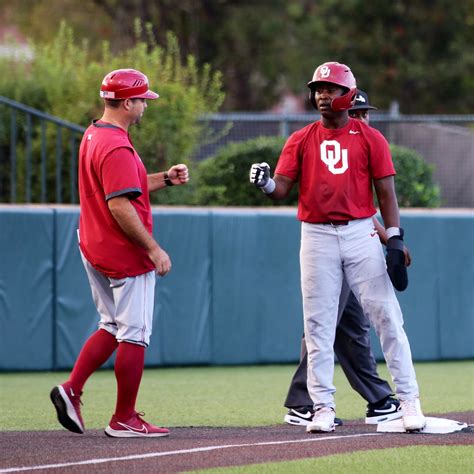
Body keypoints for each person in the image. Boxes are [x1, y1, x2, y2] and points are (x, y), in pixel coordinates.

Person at [250, 62, 425, 433]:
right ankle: (322, 408)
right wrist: (266, 183)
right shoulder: (300, 138)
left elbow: (386, 192)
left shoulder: (370, 138)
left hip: (361, 231)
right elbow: (282, 189)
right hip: (315, 235)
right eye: (318, 89)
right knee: (318, 326)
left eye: (330, 88)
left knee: (387, 317)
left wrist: (393, 235)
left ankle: (409, 400)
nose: (323, 95)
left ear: (347, 93)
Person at [50, 68, 189, 438]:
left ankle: (71, 389)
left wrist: (165, 179)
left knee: (111, 326)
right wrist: (153, 249)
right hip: (123, 252)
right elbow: (121, 205)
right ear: (127, 102)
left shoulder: (96, 133)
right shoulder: (117, 145)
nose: (145, 105)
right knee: (135, 333)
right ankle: (124, 418)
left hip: (93, 243)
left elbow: (124, 185)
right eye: (142, 99)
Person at [283, 89, 411, 428]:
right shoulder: (329, 141)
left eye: (365, 112)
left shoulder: (365, 140)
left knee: (350, 325)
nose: (363, 117)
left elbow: (362, 209)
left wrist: (390, 238)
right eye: (358, 111)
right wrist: (388, 237)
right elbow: (348, 205)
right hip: (327, 239)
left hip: (356, 242)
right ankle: (306, 401)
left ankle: (378, 399)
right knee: (327, 325)